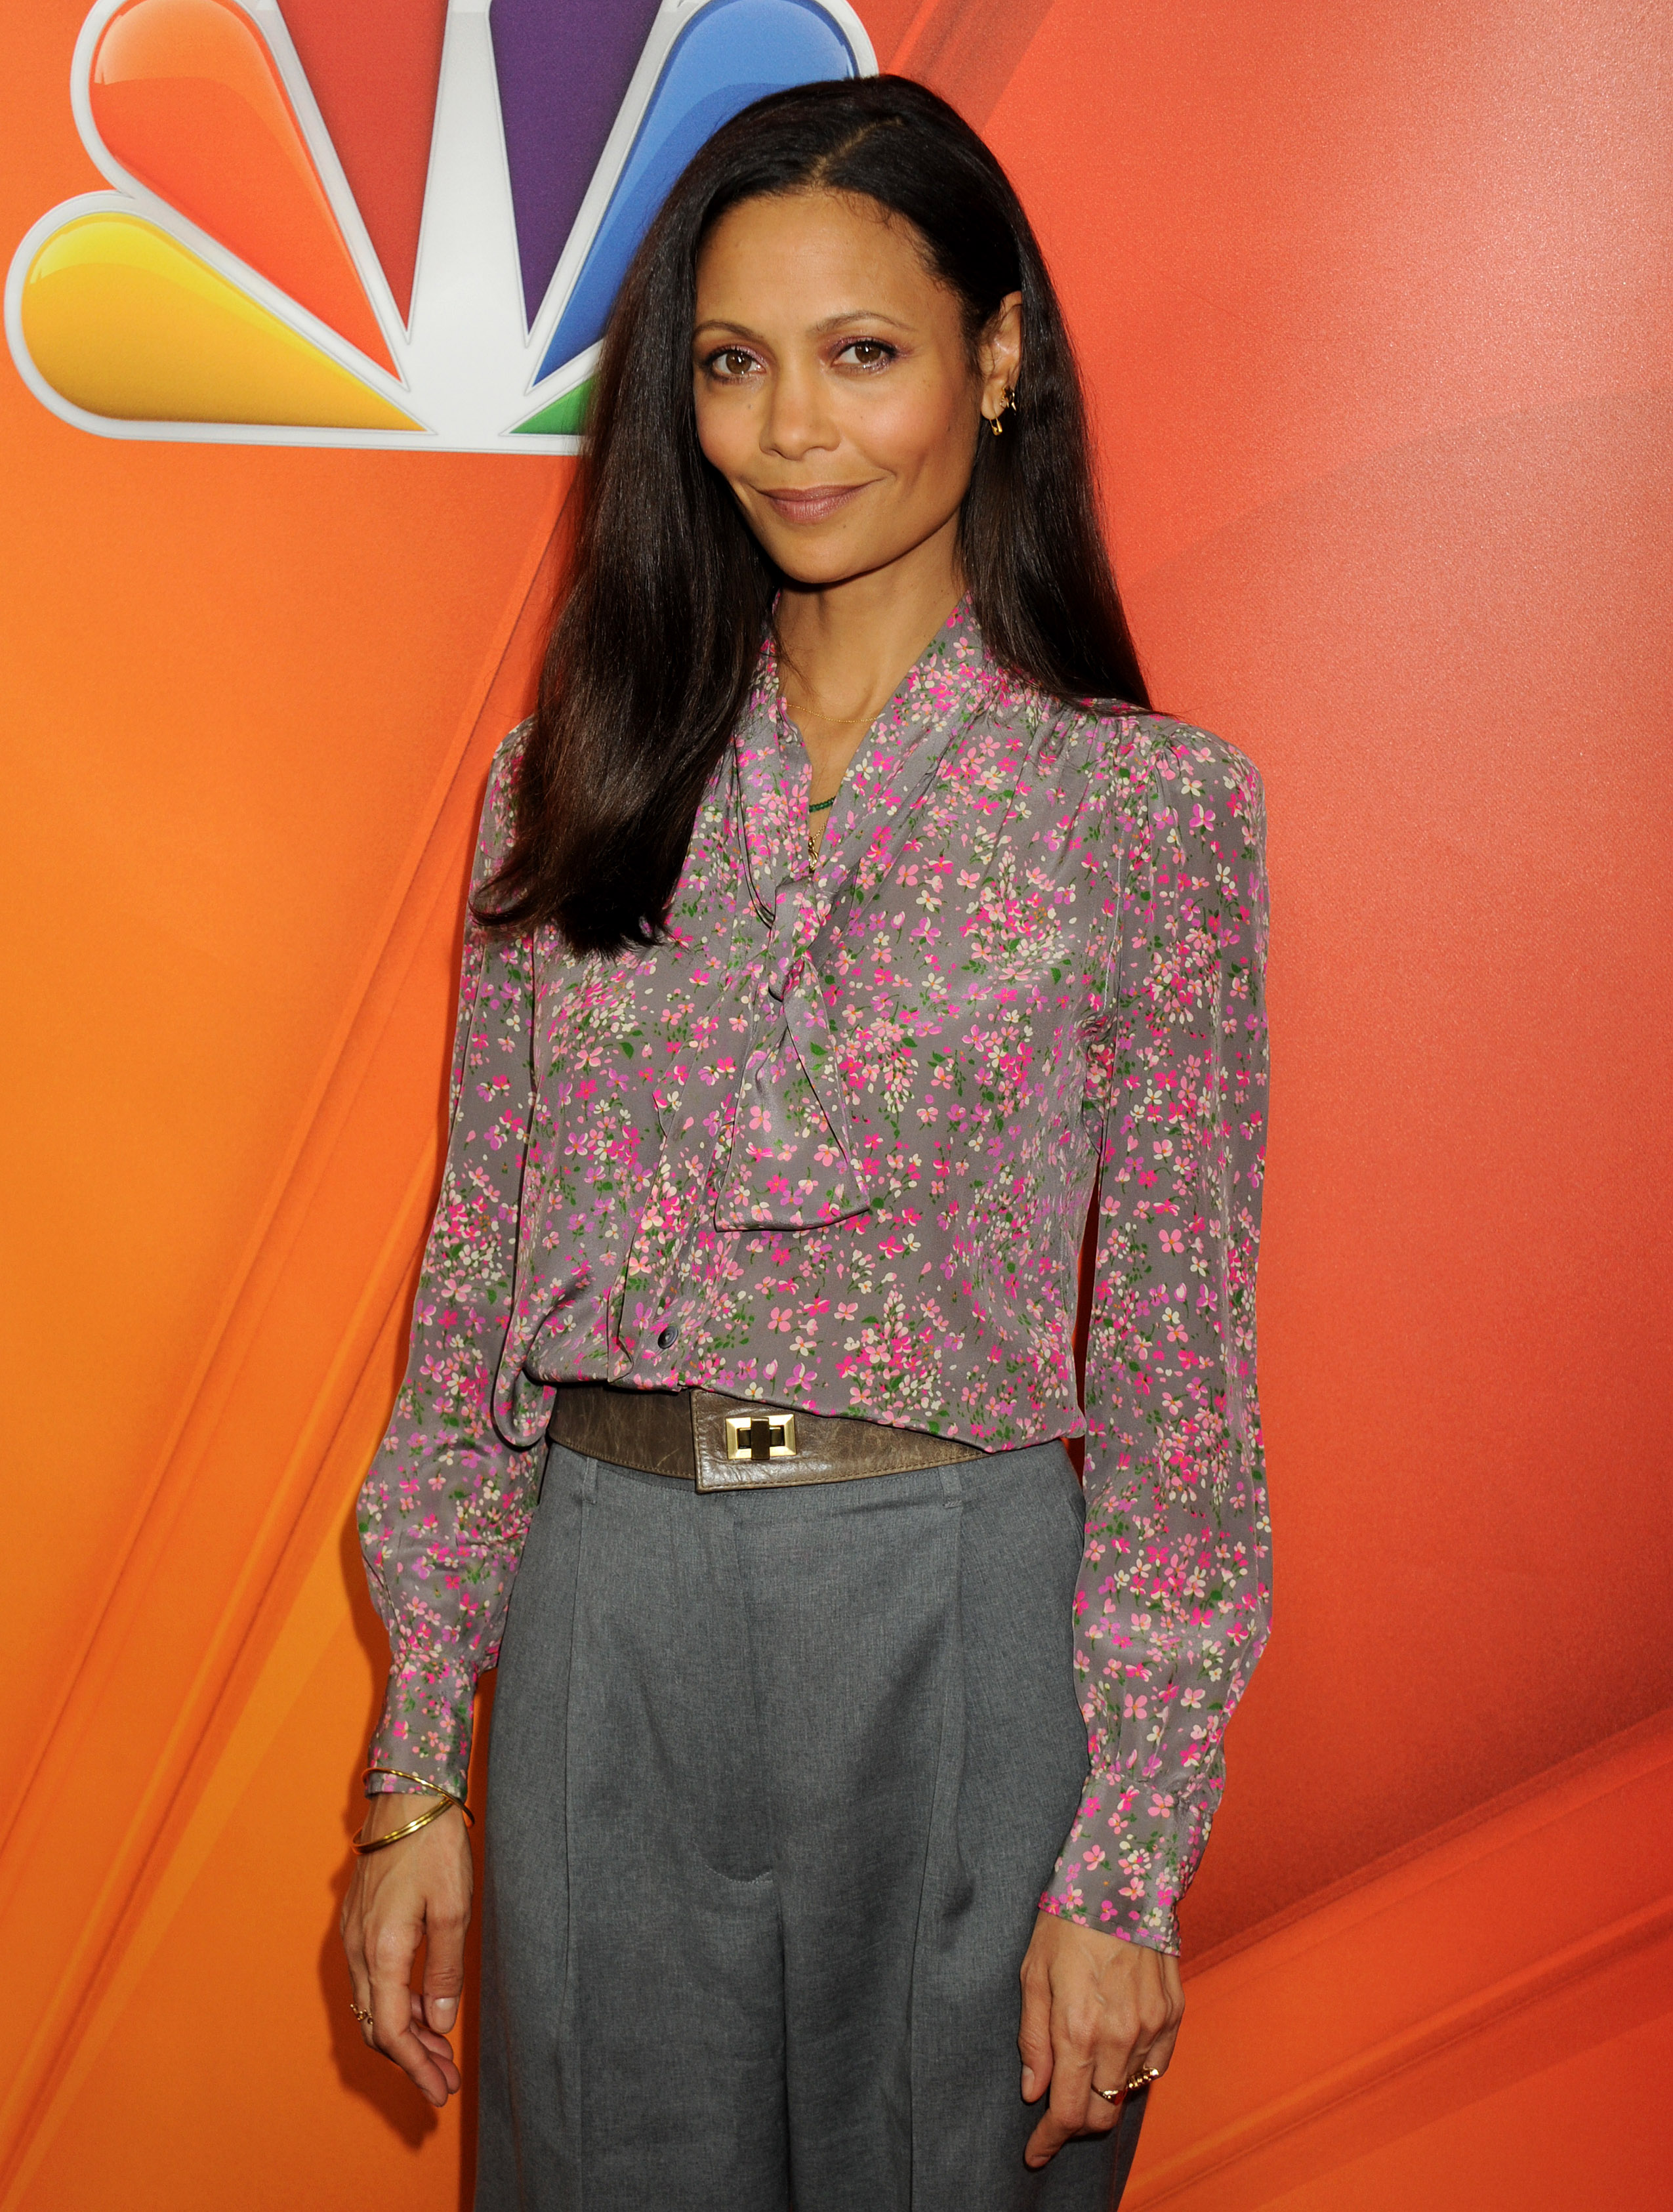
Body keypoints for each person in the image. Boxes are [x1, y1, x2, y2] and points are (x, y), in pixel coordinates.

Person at [339, 72, 1270, 2212]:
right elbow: (474, 1295)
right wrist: (415, 1773)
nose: (790, 429)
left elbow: (1182, 1392)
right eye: (732, 364)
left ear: (996, 358)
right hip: (612, 1612)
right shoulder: (570, 785)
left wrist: (1127, 1860)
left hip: (958, 1623)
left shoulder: (1147, 816)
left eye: (861, 353)